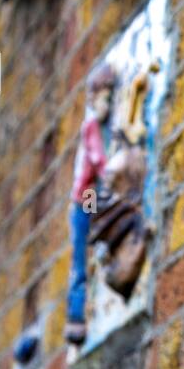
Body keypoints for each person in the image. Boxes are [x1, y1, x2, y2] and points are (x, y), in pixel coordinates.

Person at [65, 63, 115, 346]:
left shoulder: (93, 125)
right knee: (81, 256)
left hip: (86, 197)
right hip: (85, 198)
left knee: (87, 248)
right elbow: (98, 160)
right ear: (95, 98)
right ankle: (75, 316)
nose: (108, 105)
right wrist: (112, 173)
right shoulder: (91, 126)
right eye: (106, 99)